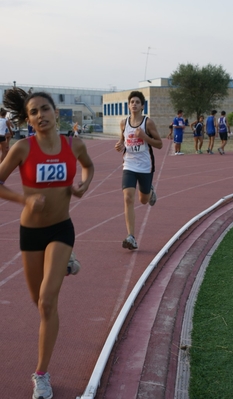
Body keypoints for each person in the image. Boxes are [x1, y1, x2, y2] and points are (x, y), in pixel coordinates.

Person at [1, 87, 94, 399]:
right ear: (28, 120)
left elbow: (89, 166)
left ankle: (41, 374)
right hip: (31, 234)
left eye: (45, 109)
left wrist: (83, 184)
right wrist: (23, 200)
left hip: (60, 229)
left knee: (47, 302)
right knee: (38, 306)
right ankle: (66, 261)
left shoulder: (74, 144)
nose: (40, 115)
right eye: (34, 112)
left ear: (56, 112)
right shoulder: (22, 149)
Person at [115, 90, 162, 250]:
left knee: (143, 200)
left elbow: (159, 144)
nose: (134, 104)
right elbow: (123, 141)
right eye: (132, 102)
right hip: (129, 164)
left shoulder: (148, 123)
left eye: (137, 102)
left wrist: (144, 137)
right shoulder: (123, 123)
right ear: (128, 106)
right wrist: (120, 145)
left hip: (145, 166)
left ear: (142, 106)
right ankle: (131, 237)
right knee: (128, 197)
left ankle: (149, 190)